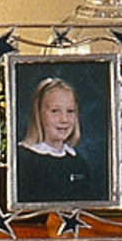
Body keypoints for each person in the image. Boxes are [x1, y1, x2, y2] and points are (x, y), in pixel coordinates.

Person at [13, 70, 101, 203]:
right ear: (38, 113)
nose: (64, 119)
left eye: (70, 111)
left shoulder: (77, 162)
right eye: (55, 111)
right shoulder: (22, 160)